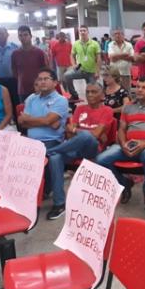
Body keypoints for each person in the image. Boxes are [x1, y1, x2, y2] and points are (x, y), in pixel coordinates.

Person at [96, 75, 145, 209]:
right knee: (101, 159)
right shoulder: (128, 106)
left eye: (144, 87)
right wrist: (123, 144)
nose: (139, 90)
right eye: (138, 87)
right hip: (128, 145)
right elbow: (121, 129)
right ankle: (124, 183)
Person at [45, 82, 114, 220]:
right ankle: (59, 203)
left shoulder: (107, 110)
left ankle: (49, 151)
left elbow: (95, 135)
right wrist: (78, 132)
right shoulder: (79, 109)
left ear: (102, 95)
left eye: (94, 92)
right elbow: (69, 134)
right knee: (55, 158)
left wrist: (76, 130)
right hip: (74, 148)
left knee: (87, 136)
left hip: (93, 149)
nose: (90, 95)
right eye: (88, 92)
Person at [17, 68, 69, 150]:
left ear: (55, 83)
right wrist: (47, 122)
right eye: (40, 79)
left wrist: (29, 119)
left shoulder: (60, 100)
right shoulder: (31, 98)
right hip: (31, 141)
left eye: (46, 79)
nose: (42, 82)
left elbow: (47, 120)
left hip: (51, 141)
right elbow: (23, 123)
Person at [12, 26, 48, 103]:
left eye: (25, 35)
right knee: (26, 112)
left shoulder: (39, 53)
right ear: (18, 37)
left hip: (39, 89)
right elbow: (14, 72)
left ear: (30, 36)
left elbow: (46, 71)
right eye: (20, 35)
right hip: (22, 91)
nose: (23, 37)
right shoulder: (15, 54)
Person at [65, 25, 101, 101]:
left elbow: (98, 58)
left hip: (91, 71)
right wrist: (74, 64)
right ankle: (74, 95)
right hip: (80, 70)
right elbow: (72, 55)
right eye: (81, 31)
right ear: (79, 32)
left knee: (91, 91)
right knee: (67, 75)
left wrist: (97, 71)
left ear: (88, 32)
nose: (82, 32)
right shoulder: (76, 43)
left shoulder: (95, 44)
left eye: (84, 30)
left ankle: (93, 103)